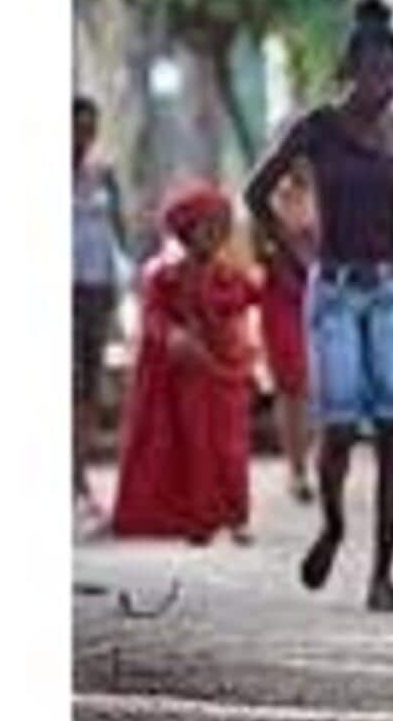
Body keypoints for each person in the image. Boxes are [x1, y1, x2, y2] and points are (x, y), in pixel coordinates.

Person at [246, 0, 393, 613]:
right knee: (338, 427)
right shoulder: (317, 128)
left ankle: (382, 575)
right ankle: (332, 526)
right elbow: (257, 192)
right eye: (370, 73)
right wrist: (294, 258)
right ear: (348, 72)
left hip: (392, 292)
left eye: (391, 75)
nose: (381, 86)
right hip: (332, 289)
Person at [109, 183, 258, 544]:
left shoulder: (227, 273)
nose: (218, 236)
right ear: (188, 231)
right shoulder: (163, 274)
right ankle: (197, 516)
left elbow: (248, 296)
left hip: (224, 377)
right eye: (209, 228)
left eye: (223, 227)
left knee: (230, 447)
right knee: (192, 446)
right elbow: (153, 318)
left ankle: (235, 515)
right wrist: (172, 335)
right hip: (185, 379)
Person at [73, 97, 130, 525]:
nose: (83, 136)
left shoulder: (103, 176)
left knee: (89, 389)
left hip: (96, 289)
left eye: (90, 127)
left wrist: (119, 287)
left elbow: (119, 235)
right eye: (76, 127)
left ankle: (79, 475)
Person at [256, 166, 319, 503]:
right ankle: (296, 469)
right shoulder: (269, 198)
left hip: (319, 293)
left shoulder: (324, 193)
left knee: (313, 385)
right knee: (290, 383)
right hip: (281, 296)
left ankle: (310, 461)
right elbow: (260, 250)